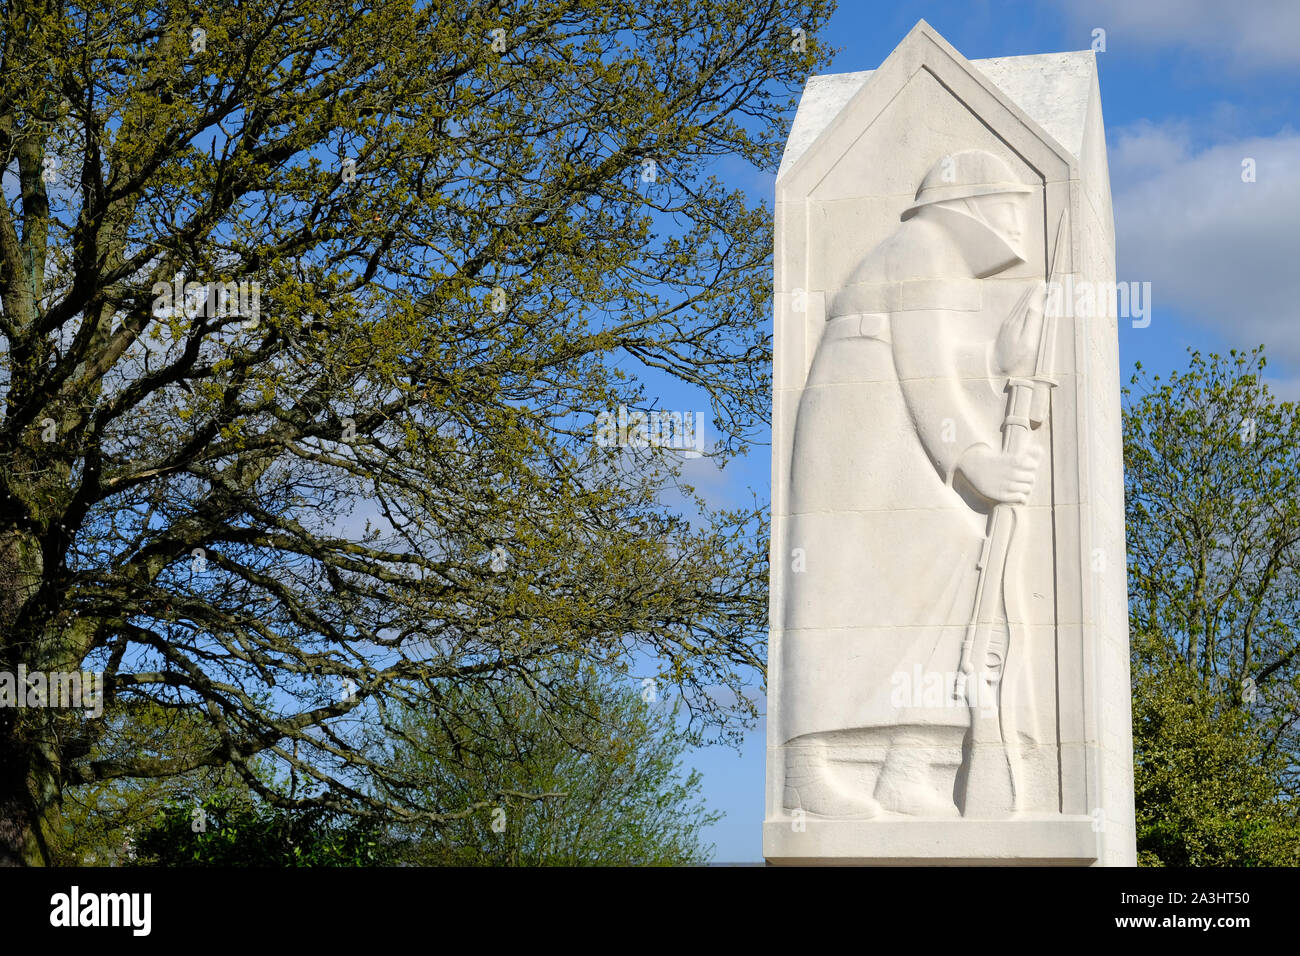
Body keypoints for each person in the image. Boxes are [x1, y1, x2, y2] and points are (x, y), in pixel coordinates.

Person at [781, 150, 1049, 818]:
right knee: (839, 584)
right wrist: (976, 462)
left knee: (955, 561)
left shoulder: (933, 259)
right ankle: (807, 771)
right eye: (1007, 208)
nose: (1018, 226)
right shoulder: (924, 248)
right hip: (864, 422)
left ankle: (906, 765)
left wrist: (1001, 362)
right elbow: (924, 370)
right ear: (968, 206)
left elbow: (941, 363)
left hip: (884, 417)